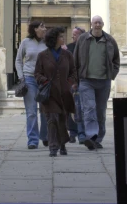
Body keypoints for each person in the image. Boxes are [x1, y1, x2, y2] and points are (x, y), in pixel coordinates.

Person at [73, 15, 120, 150]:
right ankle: (91, 136)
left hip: (104, 81)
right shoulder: (83, 39)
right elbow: (75, 60)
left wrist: (113, 73)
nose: (97, 25)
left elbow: (116, 59)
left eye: (99, 23)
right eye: (95, 23)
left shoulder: (110, 40)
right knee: (89, 108)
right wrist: (75, 79)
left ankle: (98, 138)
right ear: (91, 24)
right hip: (86, 80)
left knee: (100, 111)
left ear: (103, 24)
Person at [34, 27, 77, 157]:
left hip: (64, 93)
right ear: (54, 39)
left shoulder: (67, 54)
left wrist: (69, 83)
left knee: (62, 120)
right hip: (49, 93)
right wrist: (44, 81)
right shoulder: (42, 56)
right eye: (61, 37)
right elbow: (37, 73)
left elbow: (74, 72)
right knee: (52, 119)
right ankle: (53, 147)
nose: (63, 38)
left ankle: (62, 144)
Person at [14, 21, 49, 149]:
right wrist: (21, 77)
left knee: (45, 111)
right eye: (42, 26)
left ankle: (45, 137)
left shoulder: (47, 43)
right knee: (31, 112)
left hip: (44, 80)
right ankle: (33, 140)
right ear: (35, 29)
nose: (45, 28)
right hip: (29, 79)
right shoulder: (25, 42)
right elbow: (18, 60)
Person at [65, 27, 87, 143]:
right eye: (72, 34)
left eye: (75, 34)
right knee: (72, 108)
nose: (73, 36)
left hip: (83, 80)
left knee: (81, 109)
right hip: (71, 82)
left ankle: (81, 133)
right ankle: (73, 133)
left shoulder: (86, 47)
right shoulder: (69, 47)